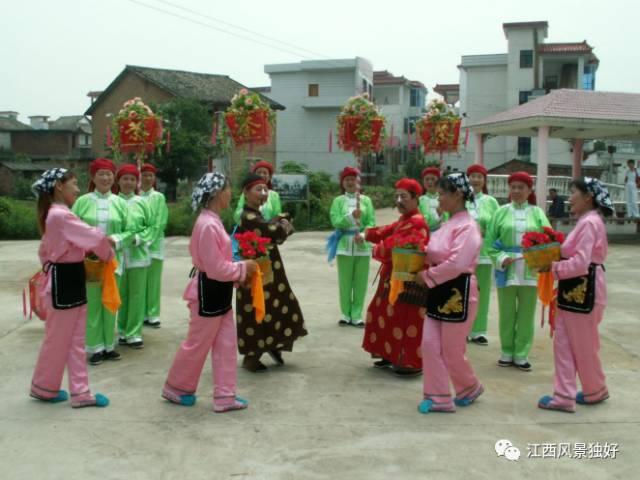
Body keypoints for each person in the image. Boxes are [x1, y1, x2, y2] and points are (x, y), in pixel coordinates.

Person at [162, 172, 257, 412]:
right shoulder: (207, 224)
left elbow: (219, 265)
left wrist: (237, 273)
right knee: (197, 344)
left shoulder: (211, 221)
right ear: (216, 194)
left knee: (225, 344)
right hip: (207, 292)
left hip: (218, 292)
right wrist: (242, 268)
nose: (230, 194)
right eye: (227, 189)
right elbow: (215, 268)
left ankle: (225, 396)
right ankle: (177, 388)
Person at [29, 168, 113, 408]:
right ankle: (59, 390)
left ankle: (68, 390)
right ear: (58, 186)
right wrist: (108, 253)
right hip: (66, 280)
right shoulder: (61, 215)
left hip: (67, 277)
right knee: (63, 339)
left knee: (71, 339)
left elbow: (44, 253)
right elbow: (95, 237)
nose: (77, 189)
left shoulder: (55, 214)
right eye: (74, 184)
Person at [538, 178, 613, 412]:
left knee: (566, 344)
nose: (569, 198)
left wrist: (553, 267)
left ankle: (564, 396)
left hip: (582, 288)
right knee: (584, 344)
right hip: (586, 288)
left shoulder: (588, 222)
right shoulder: (589, 220)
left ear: (587, 197)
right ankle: (594, 389)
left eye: (573, 193)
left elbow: (580, 262)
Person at [415, 173, 484, 413]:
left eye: (442, 194)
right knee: (430, 344)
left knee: (451, 349)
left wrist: (426, 277)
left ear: (457, 195)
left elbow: (457, 263)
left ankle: (469, 386)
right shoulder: (447, 224)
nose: (438, 200)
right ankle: (439, 397)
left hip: (458, 291)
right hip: (438, 289)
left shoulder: (469, 227)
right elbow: (436, 252)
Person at [235, 173, 308, 372]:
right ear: (246, 193)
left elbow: (269, 229)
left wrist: (278, 221)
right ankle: (253, 355)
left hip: (268, 269)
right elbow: (274, 232)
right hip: (256, 273)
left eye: (265, 189)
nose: (263, 193)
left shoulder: (255, 215)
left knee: (279, 303)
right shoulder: (248, 216)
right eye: (258, 189)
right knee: (258, 309)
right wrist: (283, 223)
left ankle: (274, 344)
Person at [362, 178, 430, 376]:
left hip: (408, 282)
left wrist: (375, 248)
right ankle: (389, 354)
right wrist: (367, 233)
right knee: (381, 312)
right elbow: (387, 230)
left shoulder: (416, 222)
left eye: (404, 197)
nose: (399, 200)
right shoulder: (405, 219)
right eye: (397, 196)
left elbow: (391, 246)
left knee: (404, 319)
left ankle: (409, 362)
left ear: (416, 198)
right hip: (393, 278)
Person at [487, 171, 551, 371]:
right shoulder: (501, 212)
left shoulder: (538, 213)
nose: (516, 191)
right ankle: (506, 350)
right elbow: (489, 243)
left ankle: (521, 353)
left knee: (526, 313)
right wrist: (501, 258)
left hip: (531, 269)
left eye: (520, 187)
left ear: (529, 190)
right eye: (513, 187)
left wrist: (542, 258)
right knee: (506, 313)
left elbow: (549, 238)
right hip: (506, 269)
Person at [72, 158, 129, 365]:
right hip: (90, 263)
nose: (105, 178)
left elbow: (130, 230)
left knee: (111, 303)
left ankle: (109, 346)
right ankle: (95, 348)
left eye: (108, 174)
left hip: (114, 262)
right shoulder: (82, 202)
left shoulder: (121, 203)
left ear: (114, 178)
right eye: (101, 174)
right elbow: (72, 229)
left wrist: (116, 239)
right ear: (93, 177)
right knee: (93, 305)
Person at [328, 167, 376, 327]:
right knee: (345, 281)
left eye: (353, 179)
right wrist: (350, 217)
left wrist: (363, 235)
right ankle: (345, 314)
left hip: (362, 245)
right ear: (342, 182)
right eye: (347, 179)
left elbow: (371, 222)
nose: (350, 182)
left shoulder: (366, 201)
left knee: (361, 282)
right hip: (344, 244)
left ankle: (357, 315)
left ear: (358, 182)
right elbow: (335, 221)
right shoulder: (338, 201)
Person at [116, 164, 154, 349]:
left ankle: (134, 333)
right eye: (125, 178)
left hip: (138, 255)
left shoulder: (142, 202)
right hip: (118, 256)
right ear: (119, 181)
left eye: (132, 179)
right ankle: (122, 330)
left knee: (137, 295)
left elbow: (151, 227)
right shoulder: (113, 201)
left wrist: (139, 238)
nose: (129, 182)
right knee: (121, 295)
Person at [466, 164, 500, 346]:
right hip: (463, 253)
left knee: (482, 292)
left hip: (484, 254)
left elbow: (496, 226)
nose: (476, 180)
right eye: (473, 176)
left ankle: (479, 330)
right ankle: (462, 327)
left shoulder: (491, 202)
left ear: (484, 180)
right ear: (468, 178)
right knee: (463, 291)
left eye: (480, 176)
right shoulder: (461, 198)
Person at [140, 163, 168, 328]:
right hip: (137, 247)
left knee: (153, 282)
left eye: (151, 175)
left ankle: (153, 314)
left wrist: (148, 238)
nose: (148, 178)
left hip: (154, 245)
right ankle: (141, 313)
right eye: (145, 175)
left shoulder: (158, 197)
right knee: (139, 282)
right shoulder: (134, 197)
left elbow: (160, 221)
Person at [418, 166, 447, 231]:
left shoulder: (445, 199)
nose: (430, 182)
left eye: (433, 179)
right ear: (423, 182)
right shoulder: (420, 201)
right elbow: (419, 221)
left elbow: (450, 219)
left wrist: (442, 215)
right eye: (427, 179)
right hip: (426, 236)